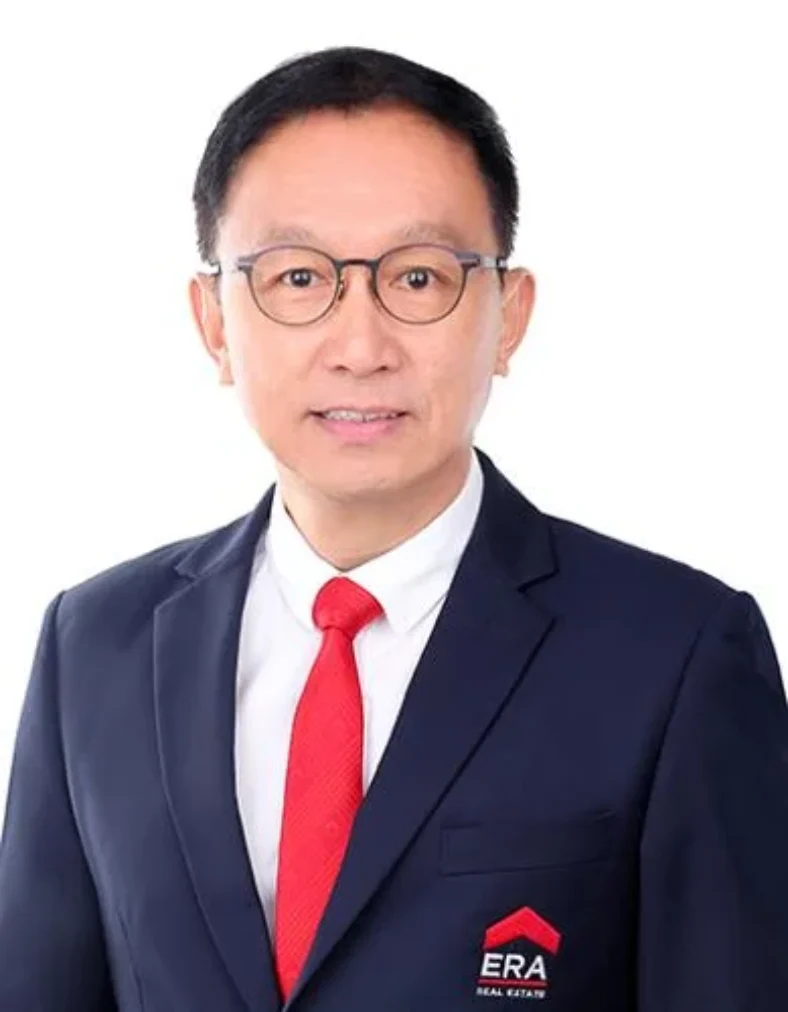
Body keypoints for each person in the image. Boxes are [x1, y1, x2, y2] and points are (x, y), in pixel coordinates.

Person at [0, 44, 786, 1012]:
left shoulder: (676, 654)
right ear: (214, 323)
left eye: (417, 279)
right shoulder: (94, 645)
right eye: (296, 278)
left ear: (508, 317)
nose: (361, 346)